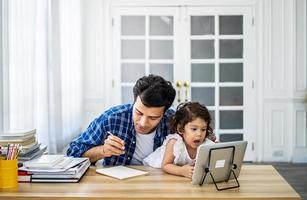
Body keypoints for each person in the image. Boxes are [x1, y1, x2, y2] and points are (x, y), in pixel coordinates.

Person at [66, 74, 176, 165]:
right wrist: (103, 151)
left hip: (160, 185)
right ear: (133, 102)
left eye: (153, 118)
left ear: (164, 113)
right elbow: (73, 153)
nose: (143, 123)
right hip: (117, 186)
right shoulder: (111, 118)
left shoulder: (174, 121)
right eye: (138, 113)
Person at [143, 102, 215, 179]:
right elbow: (165, 165)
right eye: (194, 129)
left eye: (203, 129)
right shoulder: (175, 143)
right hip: (153, 169)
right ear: (180, 129)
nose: (199, 134)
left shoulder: (206, 145)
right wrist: (181, 171)